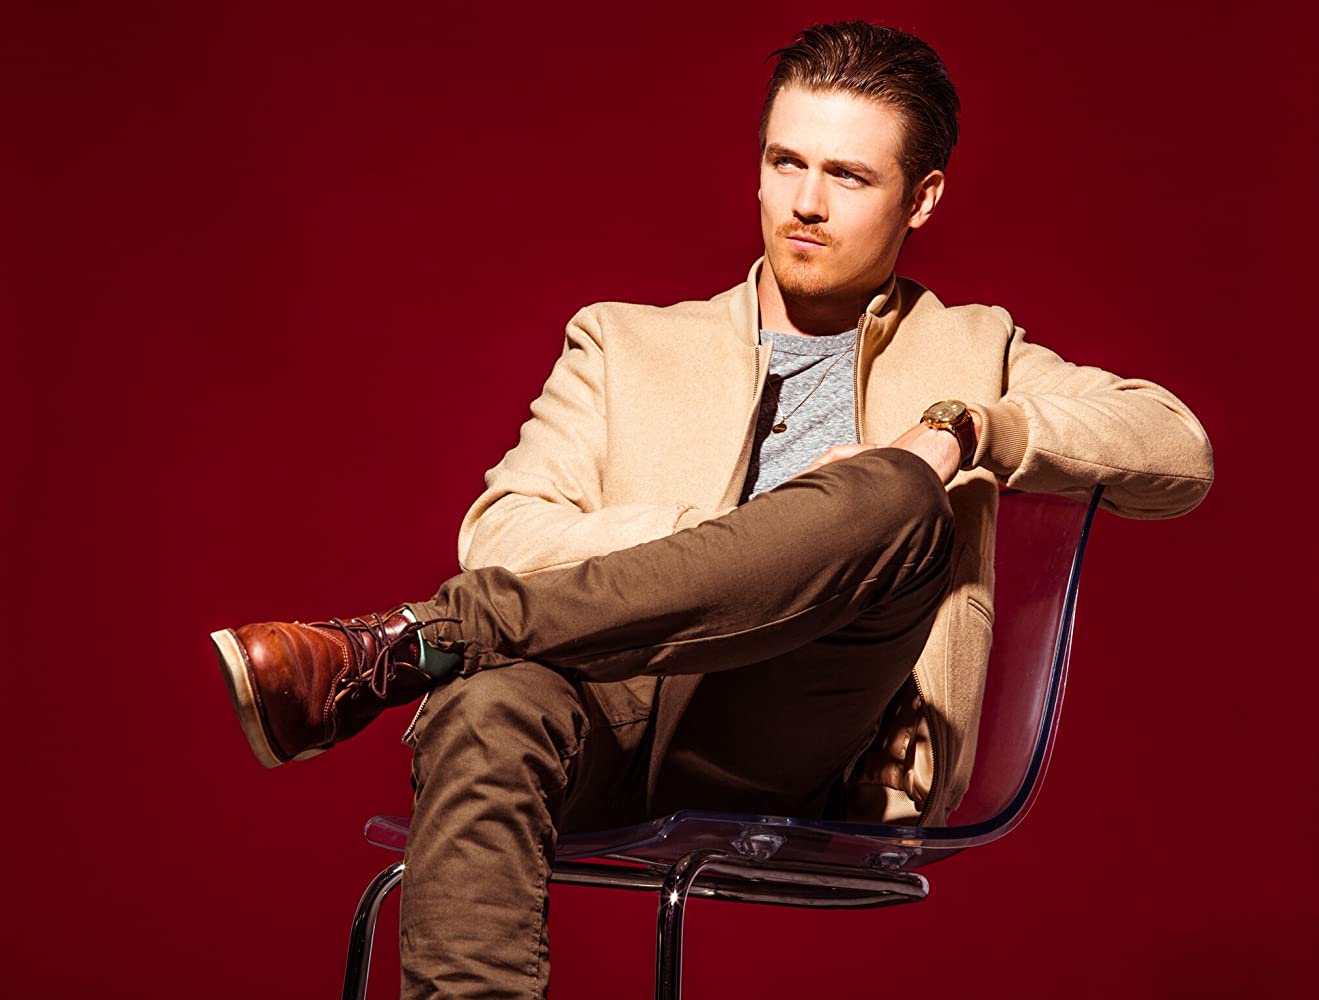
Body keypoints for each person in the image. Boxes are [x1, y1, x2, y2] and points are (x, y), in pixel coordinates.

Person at [209, 22, 1213, 998]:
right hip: (613, 706)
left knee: (899, 489)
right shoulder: (621, 345)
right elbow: (499, 531)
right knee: (485, 705)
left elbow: (1177, 447)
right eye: (785, 163)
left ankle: (420, 641)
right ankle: (445, 662)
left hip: (802, 733)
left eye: (848, 177)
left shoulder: (972, 350)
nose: (805, 203)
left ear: (921, 198)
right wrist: (742, 539)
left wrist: (961, 429)